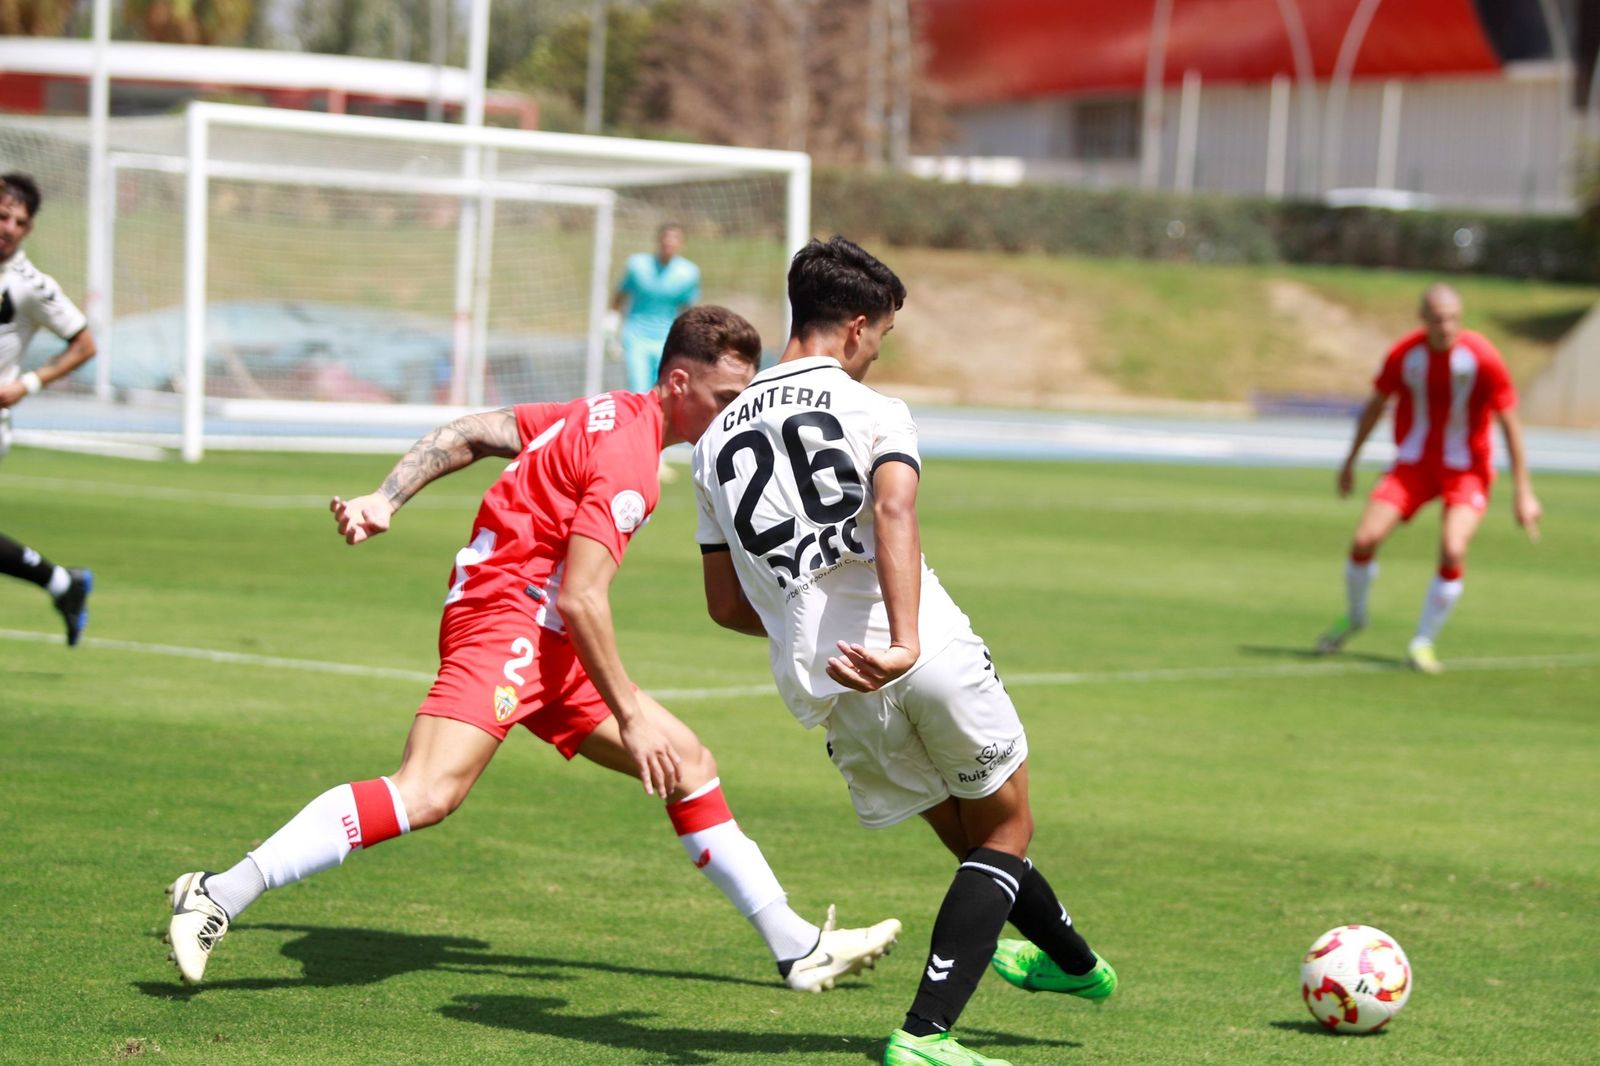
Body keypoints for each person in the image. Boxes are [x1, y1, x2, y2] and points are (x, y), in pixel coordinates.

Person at [166, 305, 901, 993]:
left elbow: (475, 432)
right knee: (426, 793)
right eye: (722, 395)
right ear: (679, 381)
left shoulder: (604, 412)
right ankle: (218, 892)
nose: (732, 411)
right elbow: (583, 596)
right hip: (509, 619)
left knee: (690, 766)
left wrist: (387, 498)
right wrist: (631, 715)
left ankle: (797, 948)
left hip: (541, 633)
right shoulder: (631, 464)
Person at [692, 238, 1115, 1066]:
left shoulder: (709, 447)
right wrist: (906, 639)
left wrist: (806, 630)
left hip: (830, 680)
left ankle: (1073, 964)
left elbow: (724, 606)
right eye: (880, 334)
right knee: (1007, 825)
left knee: (973, 840)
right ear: (855, 327)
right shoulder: (871, 409)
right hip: (915, 643)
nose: (878, 350)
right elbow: (893, 512)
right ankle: (926, 1035)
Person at [1316, 283, 1542, 673]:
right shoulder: (1405, 356)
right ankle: (1355, 617)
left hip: (1467, 469)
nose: (1446, 327)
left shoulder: (1482, 357)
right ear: (1423, 320)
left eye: (1453, 319)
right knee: (1364, 539)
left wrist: (1524, 491)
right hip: (1413, 465)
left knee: (1453, 549)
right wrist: (1350, 459)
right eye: (1438, 320)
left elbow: (1509, 421)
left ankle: (1422, 643)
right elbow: (1374, 406)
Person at [0, 172, 96, 645]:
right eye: (2, 215)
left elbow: (84, 344)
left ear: (29, 230)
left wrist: (29, 383)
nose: (9, 227)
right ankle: (64, 583)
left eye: (19, 222)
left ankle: (64, 584)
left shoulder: (31, 285)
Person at [609, 224, 701, 484]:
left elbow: (687, 308)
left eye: (675, 240)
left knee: (665, 397)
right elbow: (619, 296)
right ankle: (644, 457)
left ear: (680, 244)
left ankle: (656, 455)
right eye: (666, 240)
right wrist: (611, 325)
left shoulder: (688, 273)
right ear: (658, 240)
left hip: (665, 338)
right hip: (636, 335)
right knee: (641, 392)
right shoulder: (637, 266)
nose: (669, 245)